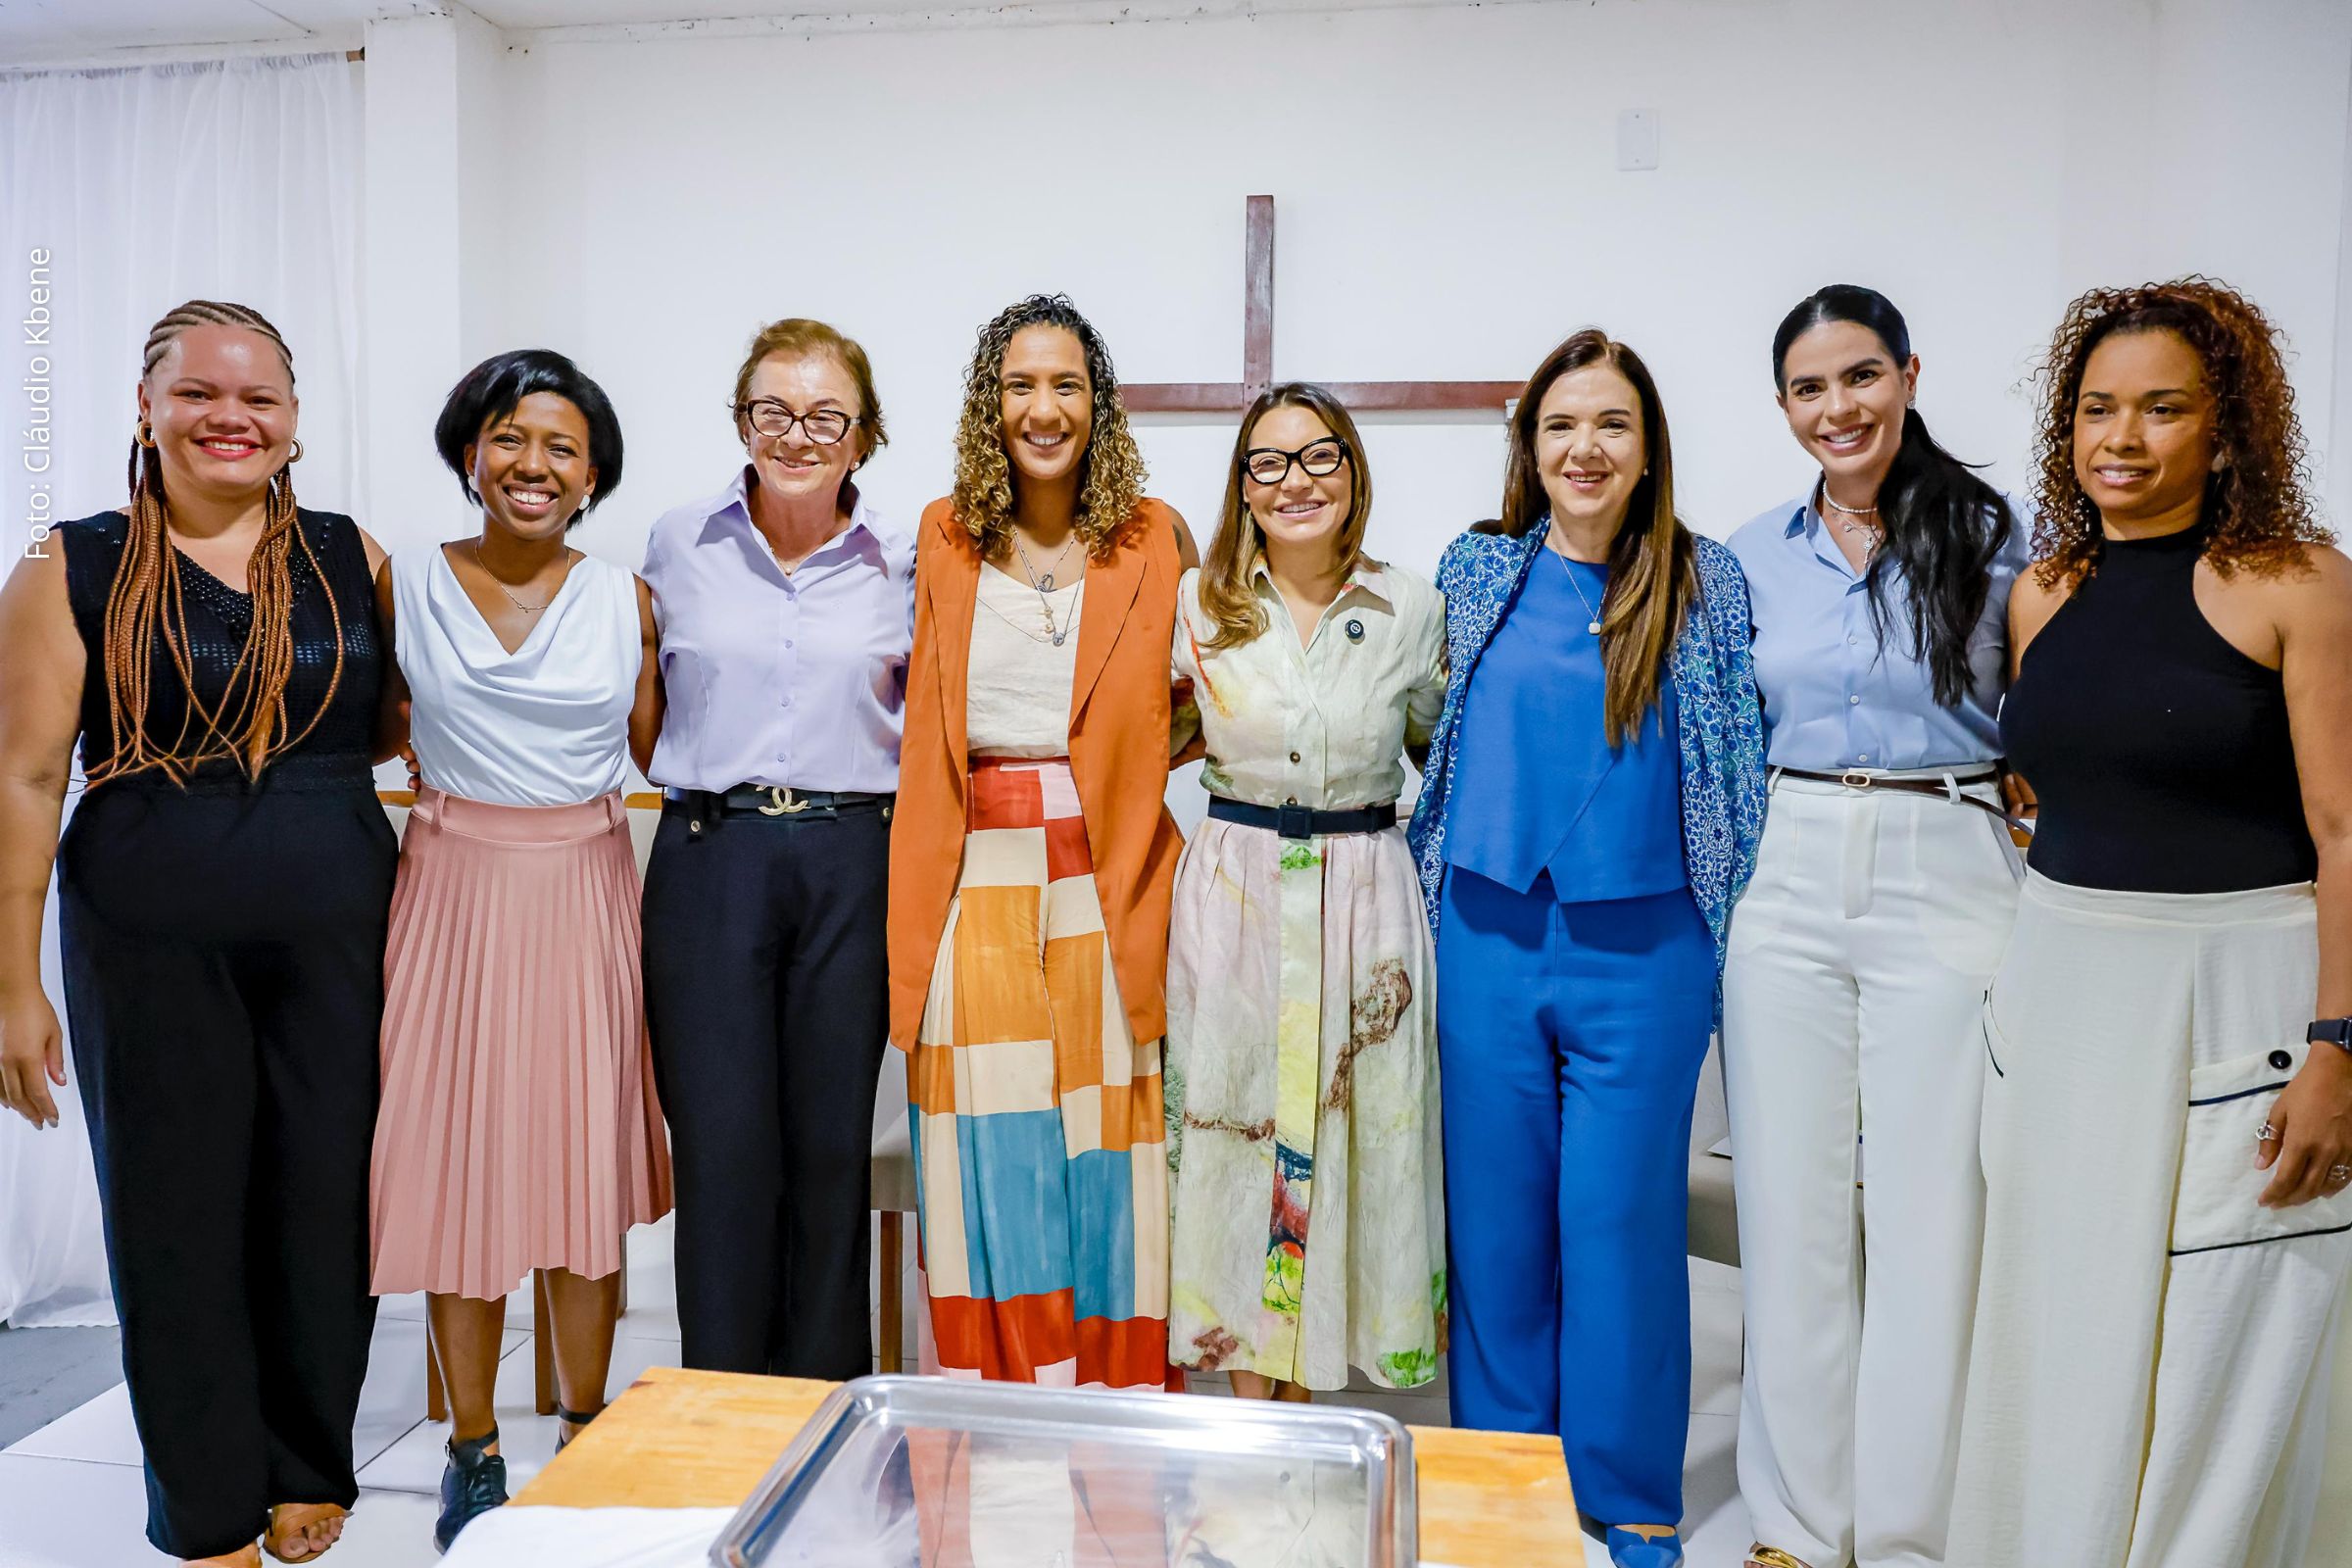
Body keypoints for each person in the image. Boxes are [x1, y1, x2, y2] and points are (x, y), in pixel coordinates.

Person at [1951, 277, 2352, 1568]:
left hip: (2239, 993)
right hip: (2063, 990)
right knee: (2060, 1318)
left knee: (2228, 1333)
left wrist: (2340, 1045)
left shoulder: (2300, 586)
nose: (2121, 437)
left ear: (2226, 429)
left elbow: (2345, 833)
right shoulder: (2045, 591)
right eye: (2096, 408)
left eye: (2163, 408)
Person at [0, 301, 393, 1568]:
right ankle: (209, 1502)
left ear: (294, 421)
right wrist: (12, 985)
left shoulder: (352, 555)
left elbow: (397, 722)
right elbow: (23, 778)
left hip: (340, 933)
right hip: (146, 936)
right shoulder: (69, 562)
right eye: (199, 392)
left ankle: (306, 1458)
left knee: (327, 1203)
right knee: (174, 1216)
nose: (231, 416)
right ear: (147, 406)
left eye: (259, 397)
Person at [1406, 328, 1765, 1568]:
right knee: (1498, 1232)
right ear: (1531, 446)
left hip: (1648, 954)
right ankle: (1506, 1487)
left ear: (1648, 446)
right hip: (1487, 937)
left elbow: (1737, 766)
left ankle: (1631, 1497)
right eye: (1561, 424)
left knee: (1619, 1229)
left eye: (1611, 422)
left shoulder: (1703, 580)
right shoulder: (1478, 571)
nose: (1585, 447)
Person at [1722, 285, 2027, 1568]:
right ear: (1783, 404)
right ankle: (1797, 1526)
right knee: (1788, 1204)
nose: (1837, 408)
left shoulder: (1997, 537)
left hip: (1945, 849)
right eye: (1810, 388)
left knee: (1930, 1214)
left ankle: (1910, 1534)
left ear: (1908, 374)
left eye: (1860, 376)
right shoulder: (1749, 555)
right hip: (1788, 857)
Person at [368, 349, 672, 1551]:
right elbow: (374, 725)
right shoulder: (403, 582)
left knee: (580, 1172)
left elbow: (663, 751)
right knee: (460, 1175)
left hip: (585, 890)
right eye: (508, 437)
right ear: (468, 452)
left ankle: (586, 1436)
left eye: (560, 447)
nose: (531, 464)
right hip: (449, 889)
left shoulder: (627, 600)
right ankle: (474, 1450)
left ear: (593, 475)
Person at [888, 293, 1198, 1390]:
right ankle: (1002, 1414)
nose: (1044, 407)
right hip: (976, 867)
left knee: (1112, 1155)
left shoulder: (1155, 536)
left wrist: (1129, 769)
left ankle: (1117, 1414)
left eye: (1066, 383)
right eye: (1020, 385)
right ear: (991, 403)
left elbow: (1206, 697)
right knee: (994, 1148)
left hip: (1110, 873)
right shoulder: (944, 534)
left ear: (1098, 403)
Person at [639, 318, 911, 1379]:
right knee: (721, 1147)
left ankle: (827, 1406)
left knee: (830, 1147)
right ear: (742, 421)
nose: (797, 435)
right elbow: (646, 705)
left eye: (826, 416)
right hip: (713, 855)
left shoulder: (903, 560)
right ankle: (720, 1404)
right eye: (774, 411)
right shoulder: (679, 542)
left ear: (863, 436)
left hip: (853, 859)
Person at [1166, 383, 1446, 1400]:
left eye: (1319, 456)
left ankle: (1315, 1400)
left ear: (1353, 472)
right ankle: (1253, 1415)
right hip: (1234, 899)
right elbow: (1150, 735)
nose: (1297, 481)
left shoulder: (1410, 607)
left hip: (1365, 899)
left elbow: (1440, 752)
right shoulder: (1197, 604)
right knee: (1238, 1139)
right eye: (1270, 462)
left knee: (1349, 1137)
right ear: (1244, 486)